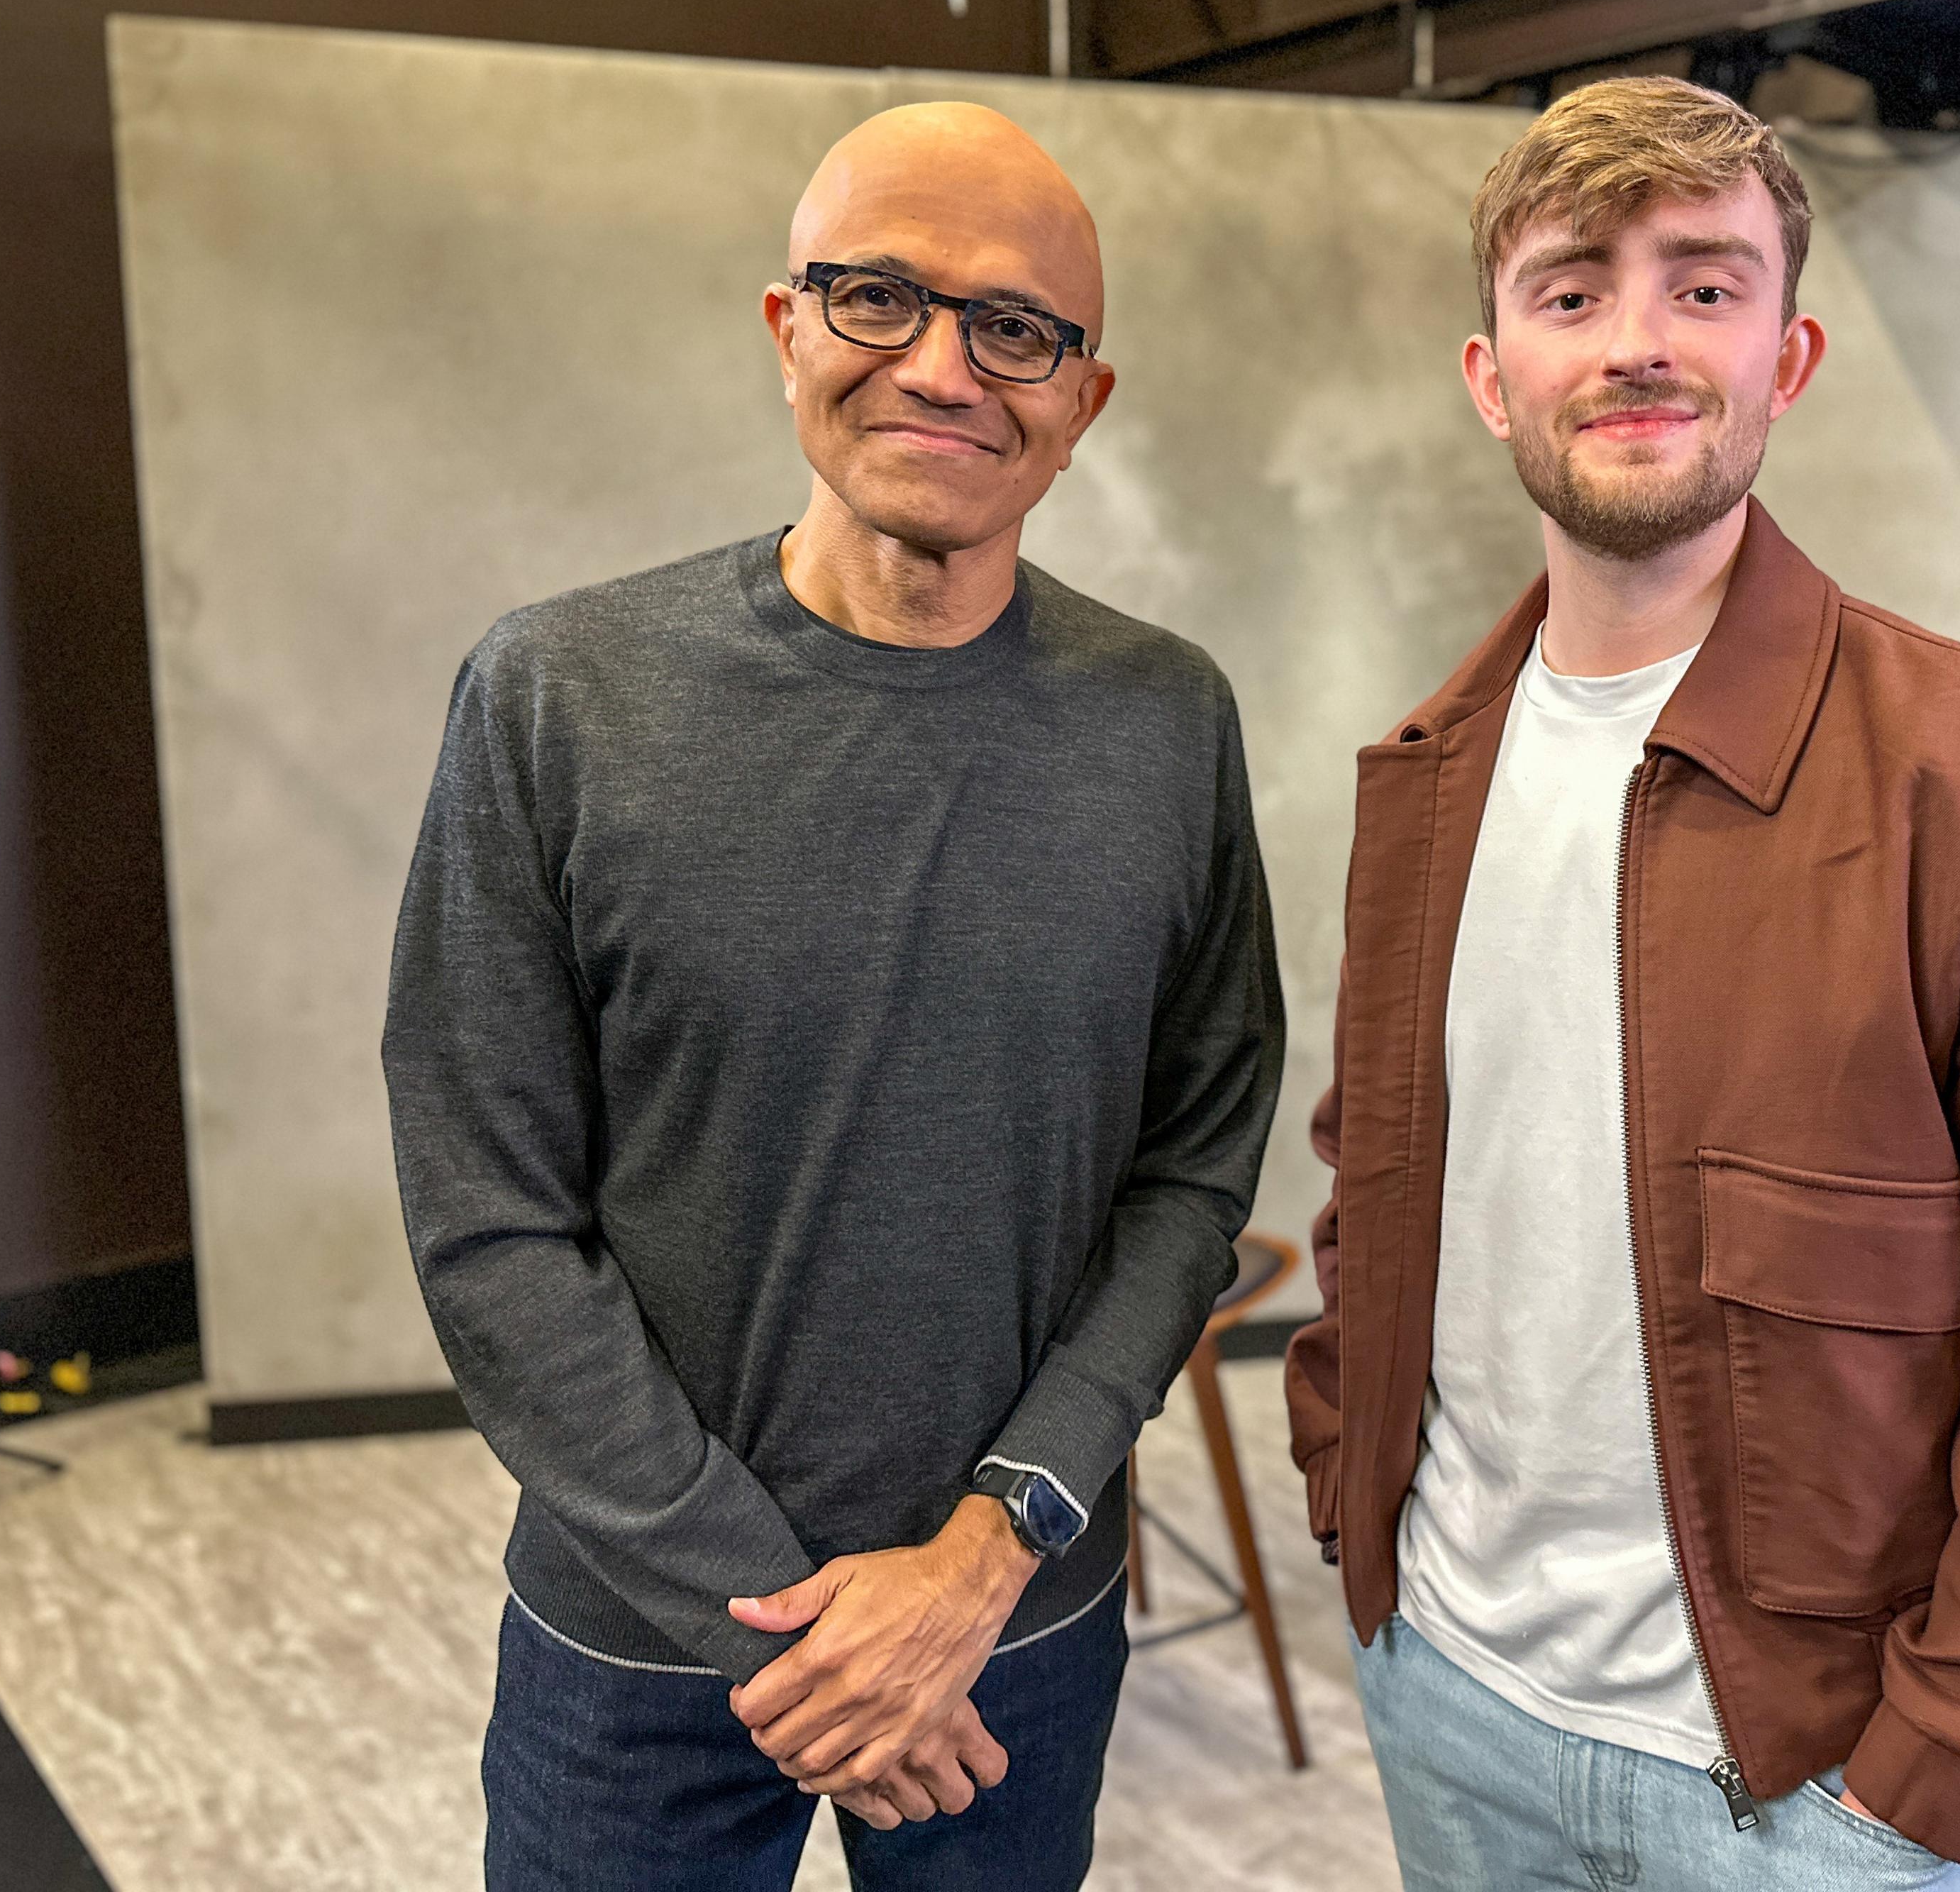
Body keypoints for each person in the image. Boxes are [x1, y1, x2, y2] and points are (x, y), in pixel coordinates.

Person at [1284, 75, 1960, 1889]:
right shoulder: (1424, 780)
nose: (1640, 342)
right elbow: (1382, 1199)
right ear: (1493, 376)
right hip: (1447, 1700)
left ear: (1785, 358)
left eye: (1703, 285)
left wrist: (1937, 1775)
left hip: (1801, 1786)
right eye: (1573, 289)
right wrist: (1358, 1508)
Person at [382, 101, 1285, 1891]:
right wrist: (786, 1631)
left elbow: (1193, 1174)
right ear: (787, 325)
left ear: (1081, 403)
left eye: (1017, 327)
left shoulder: (1168, 722)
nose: (946, 368)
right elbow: (491, 1224)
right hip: (639, 1648)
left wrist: (993, 1543)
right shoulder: (557, 699)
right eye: (880, 296)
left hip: (1014, 1621)